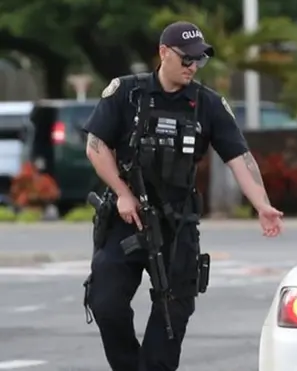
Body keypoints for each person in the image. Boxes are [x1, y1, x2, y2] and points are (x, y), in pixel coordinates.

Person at [82, 21, 283, 371]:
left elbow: (240, 158)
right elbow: (95, 146)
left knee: (173, 313)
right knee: (105, 302)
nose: (192, 67)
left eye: (198, 61)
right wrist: (123, 193)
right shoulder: (126, 93)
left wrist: (262, 205)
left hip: (177, 224)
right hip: (128, 218)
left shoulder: (207, 104)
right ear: (163, 53)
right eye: (186, 59)